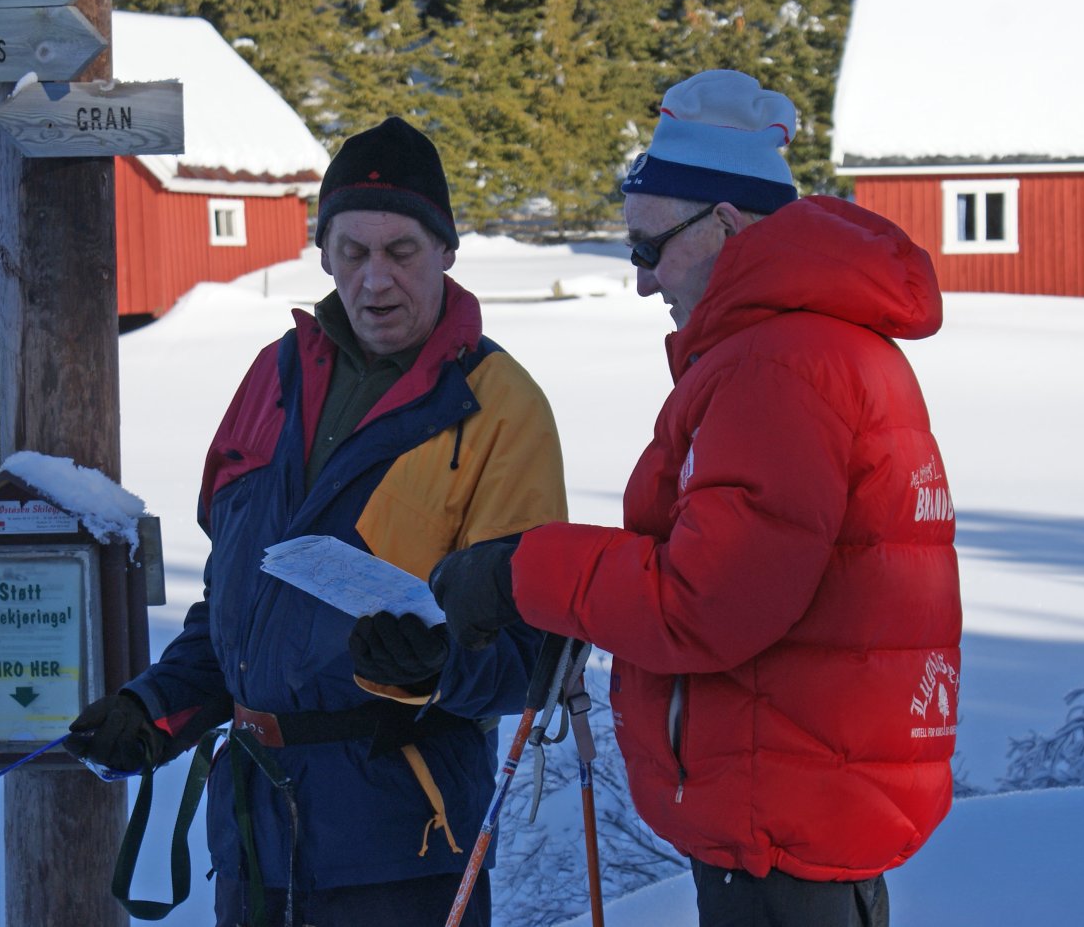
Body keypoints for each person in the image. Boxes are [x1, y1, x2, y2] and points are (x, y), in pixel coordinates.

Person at [430, 70, 961, 927]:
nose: (641, 282)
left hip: (785, 836)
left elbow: (707, 599)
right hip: (801, 811)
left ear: (725, 223)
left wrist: (522, 569)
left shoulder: (777, 364)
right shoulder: (813, 344)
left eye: (648, 248)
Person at [67, 116, 567, 927]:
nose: (374, 280)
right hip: (257, 845)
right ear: (324, 251)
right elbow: (243, 612)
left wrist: (435, 666)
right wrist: (155, 707)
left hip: (399, 853)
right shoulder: (272, 376)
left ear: (446, 248)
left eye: (400, 251)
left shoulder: (501, 408)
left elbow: (529, 659)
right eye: (352, 252)